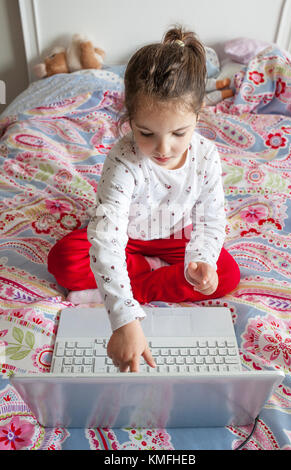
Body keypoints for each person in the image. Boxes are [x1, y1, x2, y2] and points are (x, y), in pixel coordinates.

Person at [48, 26, 240, 374]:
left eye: (179, 133)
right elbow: (107, 240)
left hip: (178, 238)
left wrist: (201, 260)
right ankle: (138, 282)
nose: (163, 149)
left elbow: (212, 219)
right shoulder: (123, 160)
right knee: (63, 261)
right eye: (146, 134)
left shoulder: (206, 155)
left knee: (225, 275)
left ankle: (126, 286)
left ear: (197, 117)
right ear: (130, 120)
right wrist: (124, 320)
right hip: (128, 238)